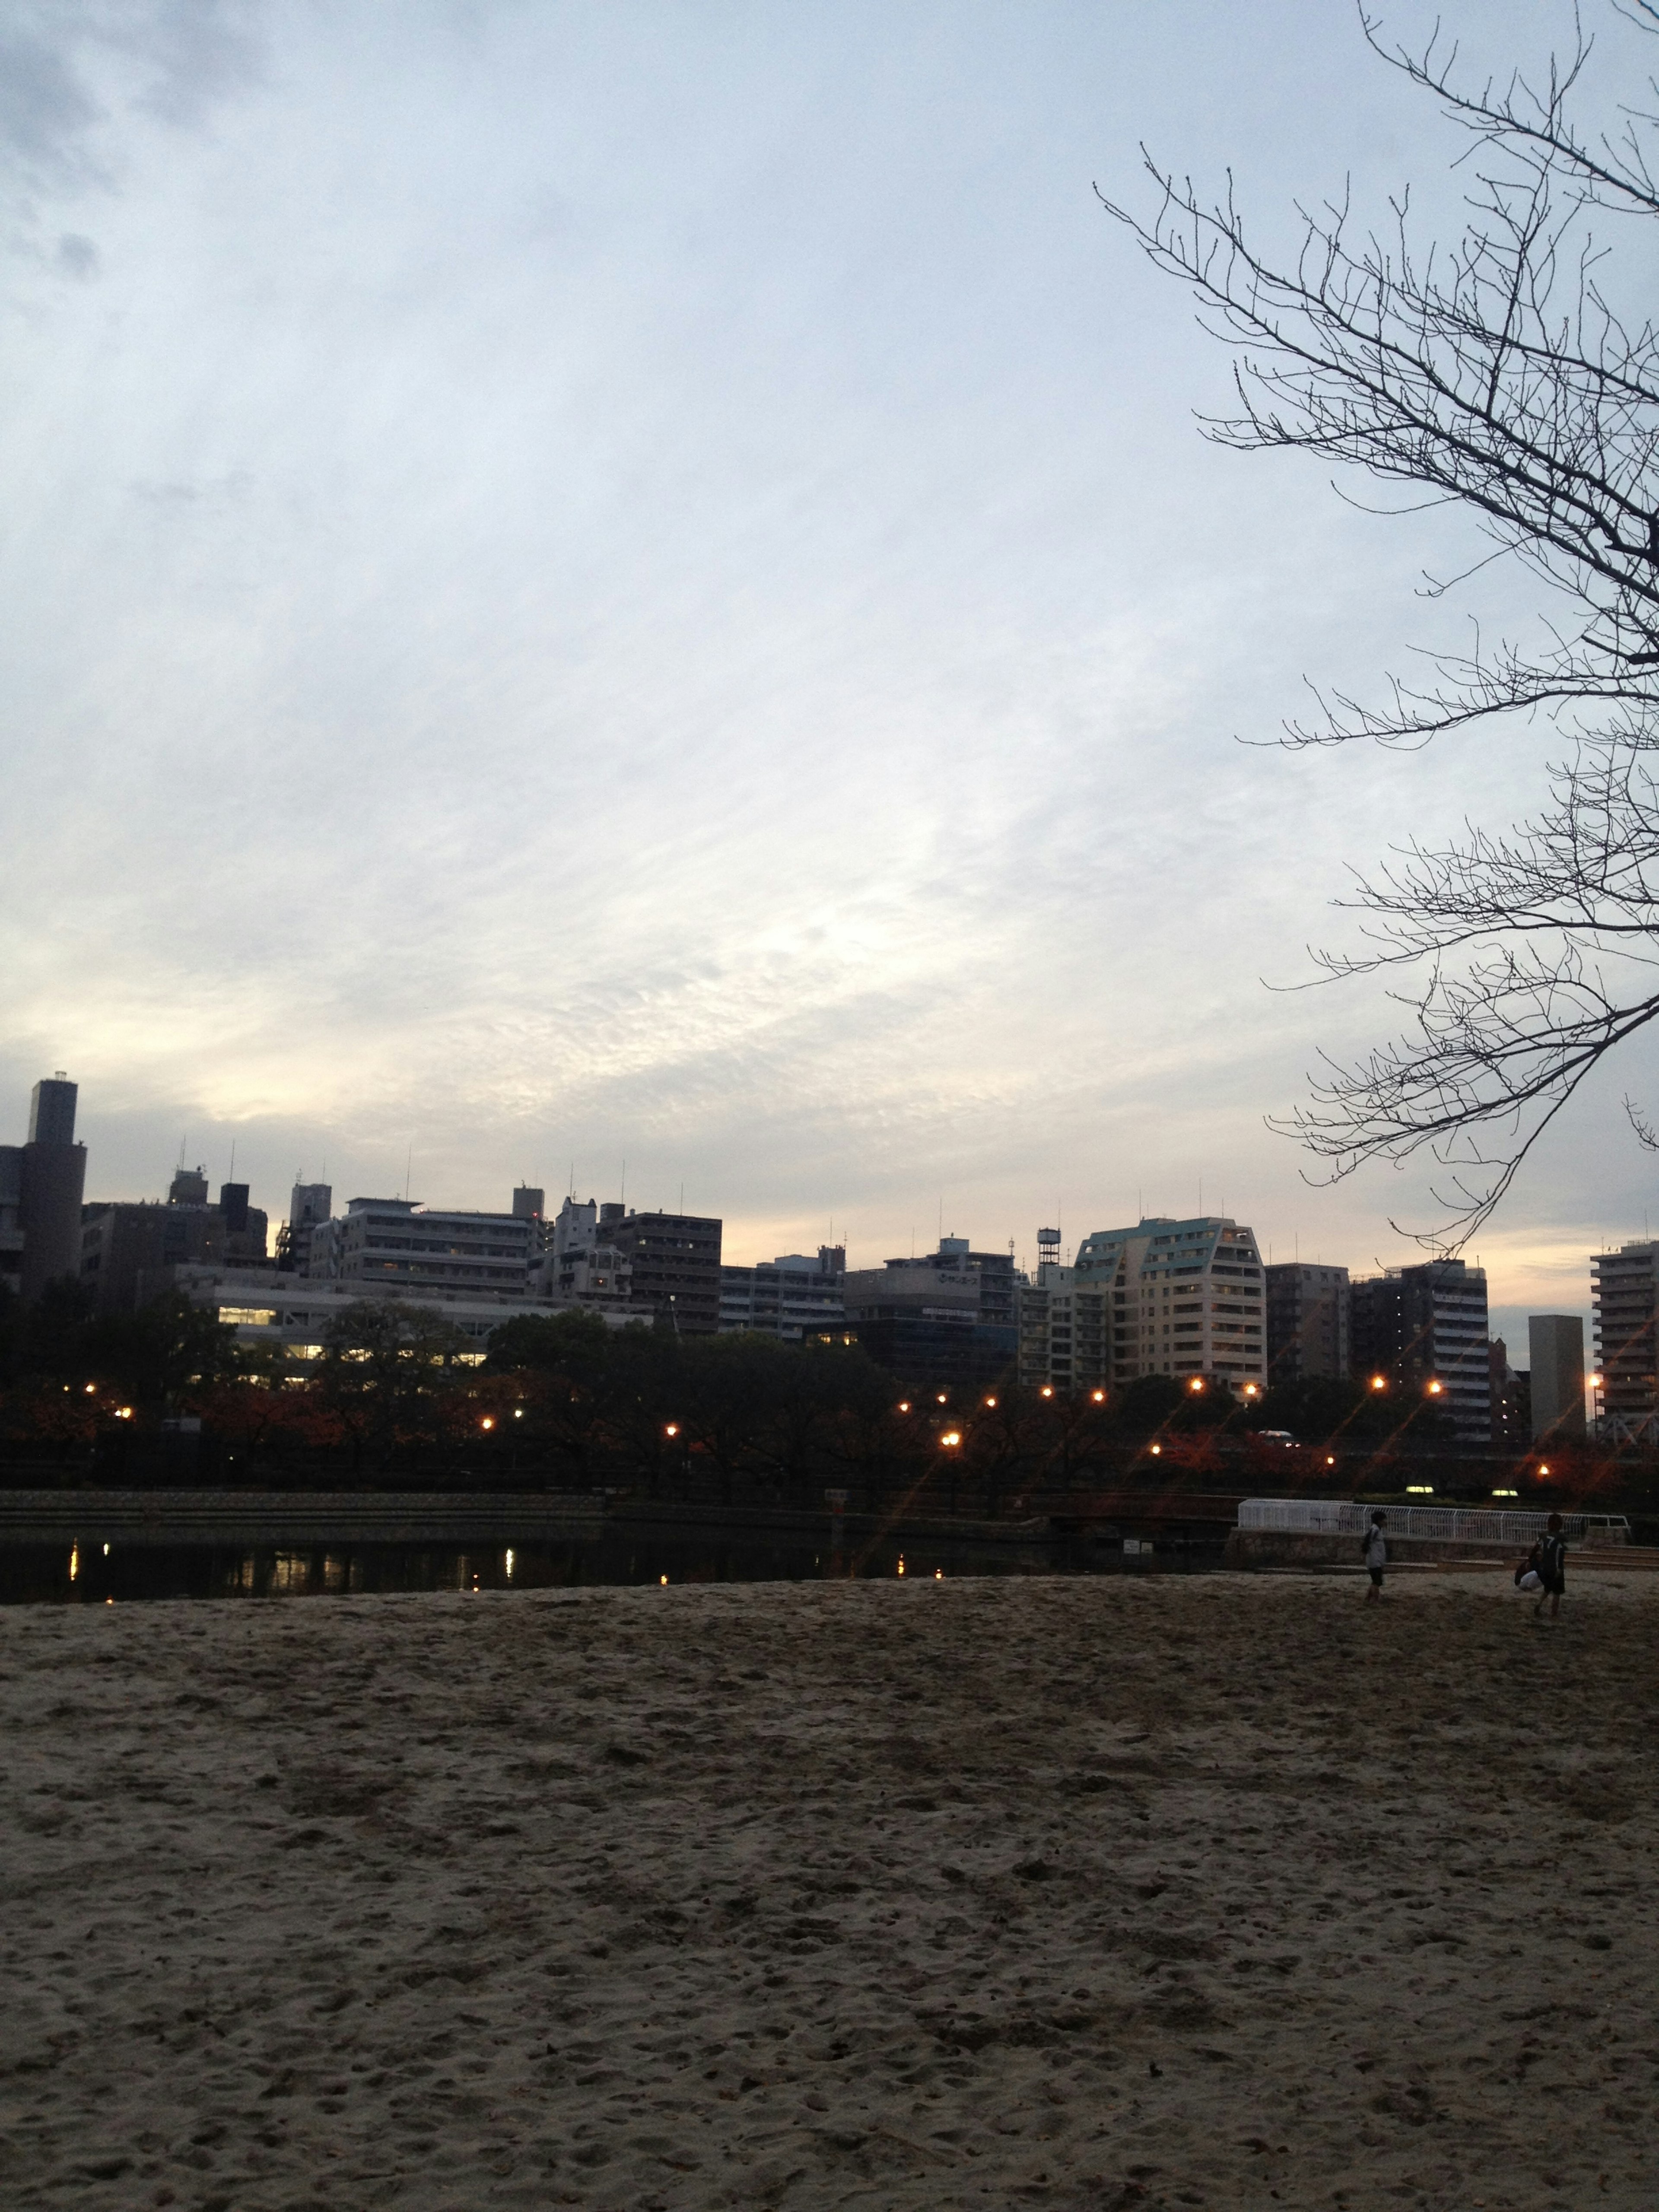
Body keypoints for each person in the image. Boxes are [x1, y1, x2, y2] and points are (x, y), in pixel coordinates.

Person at [1535, 1512, 1567, 1622]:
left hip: (1546, 1567)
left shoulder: (1544, 1536)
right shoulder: (1560, 1538)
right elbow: (1559, 1554)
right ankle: (1554, 1614)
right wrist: (1559, 1568)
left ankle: (1539, 1604)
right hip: (1556, 1568)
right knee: (1557, 1593)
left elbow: (1539, 1549)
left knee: (1548, 1588)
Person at [1363, 1509, 1387, 1601]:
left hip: (1376, 1560)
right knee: (1377, 1581)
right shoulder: (1375, 1530)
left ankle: (1368, 1598)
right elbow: (1367, 1542)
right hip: (1375, 1560)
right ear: (1379, 1521)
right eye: (1384, 1520)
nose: (1386, 1522)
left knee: (1375, 1581)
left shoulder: (1376, 1530)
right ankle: (1375, 1599)